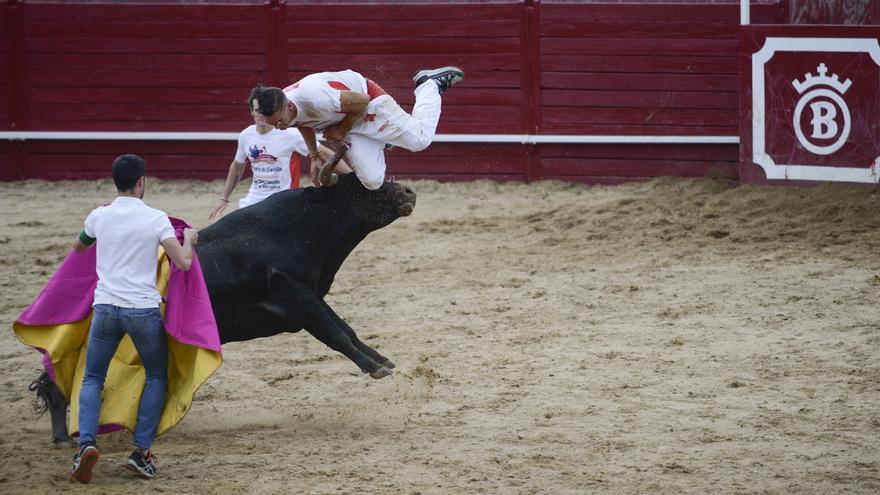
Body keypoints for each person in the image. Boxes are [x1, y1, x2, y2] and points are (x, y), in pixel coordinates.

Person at [69, 154, 198, 483]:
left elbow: (79, 248)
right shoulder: (155, 219)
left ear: (115, 182)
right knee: (156, 375)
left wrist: (97, 224)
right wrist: (189, 239)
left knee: (93, 378)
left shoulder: (100, 216)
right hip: (141, 310)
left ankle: (86, 445)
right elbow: (182, 262)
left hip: (106, 310)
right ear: (142, 181)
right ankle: (141, 452)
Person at [252, 66, 464, 190]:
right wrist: (315, 155)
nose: (280, 128)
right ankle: (382, 139)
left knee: (420, 140)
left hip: (369, 105)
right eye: (275, 125)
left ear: (288, 104)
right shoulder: (285, 110)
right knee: (372, 182)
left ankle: (428, 84)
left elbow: (362, 101)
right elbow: (301, 122)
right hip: (347, 124)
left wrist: (341, 131)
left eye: (280, 122)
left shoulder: (315, 96)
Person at [208, 86, 350, 220]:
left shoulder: (290, 134)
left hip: (282, 203)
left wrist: (351, 176)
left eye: (264, 111)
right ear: (251, 111)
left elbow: (325, 153)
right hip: (252, 202)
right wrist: (224, 198)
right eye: (257, 111)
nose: (261, 115)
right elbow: (238, 165)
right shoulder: (246, 135)